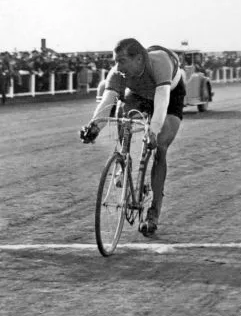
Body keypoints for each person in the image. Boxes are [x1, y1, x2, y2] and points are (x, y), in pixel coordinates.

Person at [79, 38, 185, 237]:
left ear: (138, 59)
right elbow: (107, 103)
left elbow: (162, 102)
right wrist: (93, 127)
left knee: (160, 147)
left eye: (121, 61)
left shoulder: (159, 62)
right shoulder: (118, 73)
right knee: (122, 114)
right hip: (139, 94)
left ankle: (153, 214)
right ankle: (124, 165)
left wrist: (153, 131)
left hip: (168, 94)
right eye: (115, 61)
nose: (117, 66)